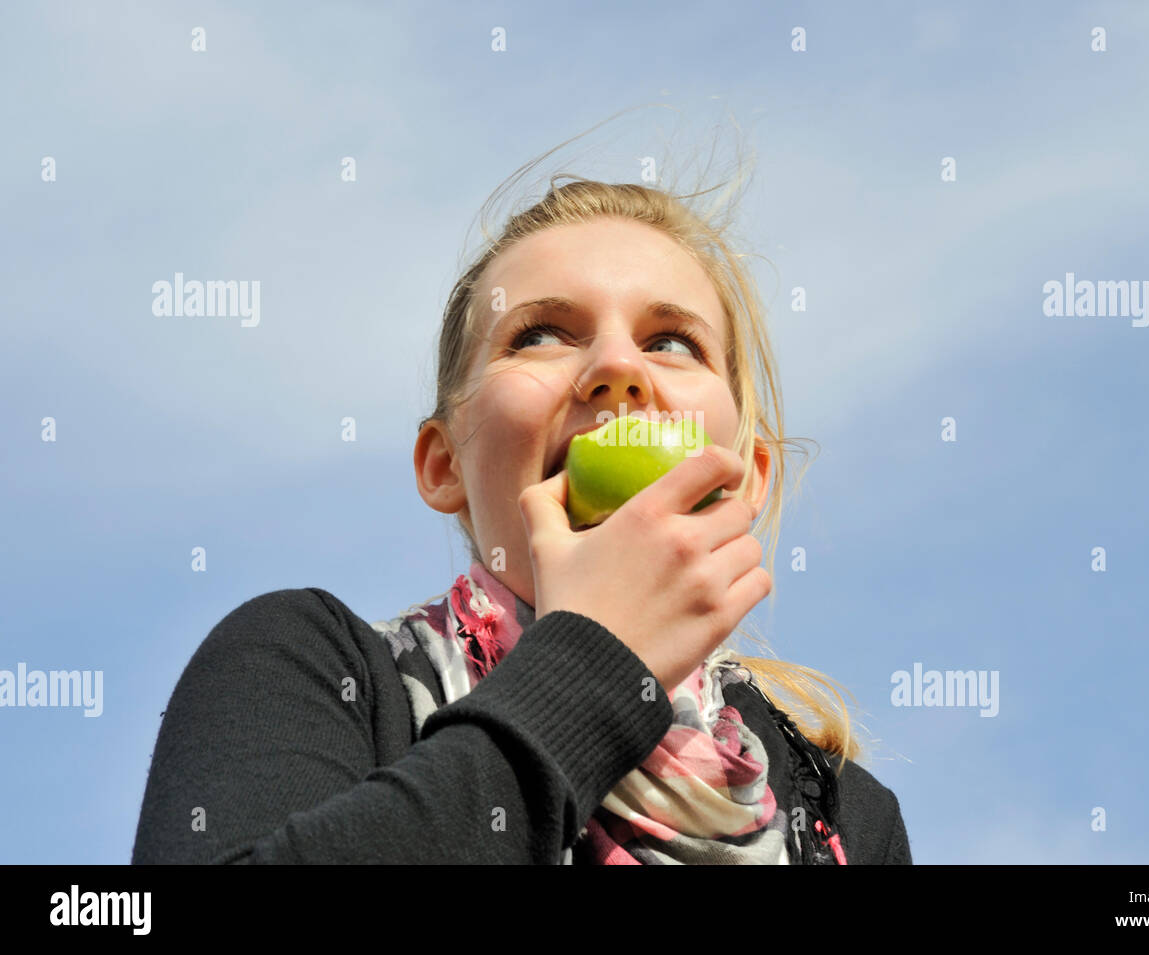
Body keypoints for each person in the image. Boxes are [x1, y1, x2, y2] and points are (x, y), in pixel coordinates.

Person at [131, 163, 913, 865]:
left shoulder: (846, 817)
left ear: (751, 477)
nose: (616, 368)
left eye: (672, 340)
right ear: (444, 465)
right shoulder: (307, 666)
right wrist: (595, 665)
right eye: (539, 335)